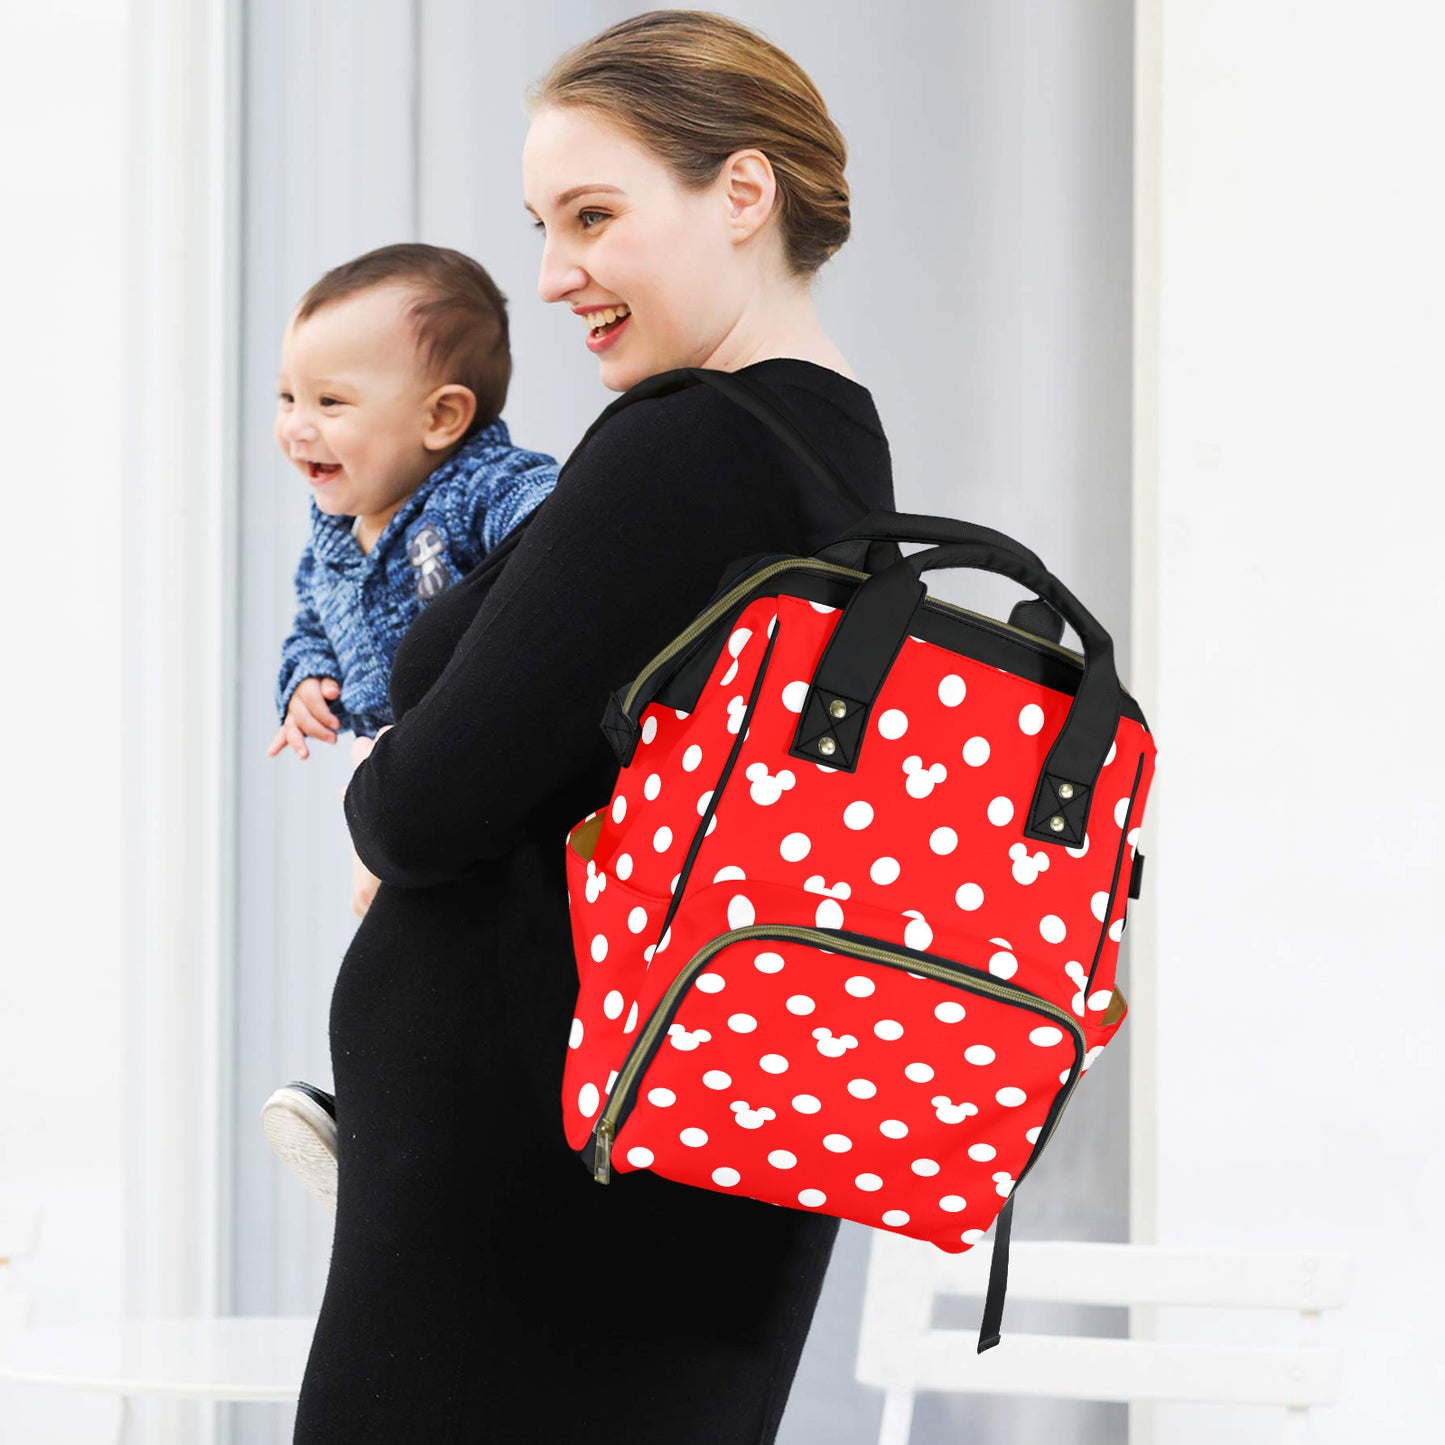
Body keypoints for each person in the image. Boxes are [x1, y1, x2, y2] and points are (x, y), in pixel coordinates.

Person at [291, 11, 896, 1442]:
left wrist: (379, 790)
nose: (555, 274)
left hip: (527, 1232)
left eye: (595, 215)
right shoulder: (835, 451)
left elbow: (434, 802)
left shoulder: (694, 443)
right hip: (653, 1193)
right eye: (543, 224)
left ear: (742, 193)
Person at [261, 244, 558, 1208]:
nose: (296, 427)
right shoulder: (333, 524)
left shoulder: (475, 486)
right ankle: (388, 1120)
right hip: (385, 770)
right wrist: (304, 677)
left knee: (436, 941)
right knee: (401, 939)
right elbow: (313, 614)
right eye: (286, 397)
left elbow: (557, 520)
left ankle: (406, 1122)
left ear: (443, 418)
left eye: (330, 403)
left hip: (463, 760)